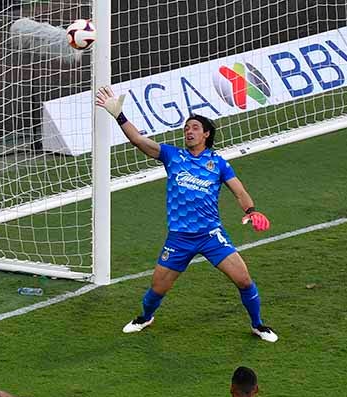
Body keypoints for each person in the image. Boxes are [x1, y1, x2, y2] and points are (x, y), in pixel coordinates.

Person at [95, 86, 278, 343]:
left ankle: (258, 325)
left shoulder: (218, 163)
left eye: (194, 127)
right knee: (157, 288)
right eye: (186, 128)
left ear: (206, 134)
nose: (188, 131)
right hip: (180, 238)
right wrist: (119, 115)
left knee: (244, 280)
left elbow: (239, 191)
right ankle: (146, 317)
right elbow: (139, 141)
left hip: (211, 235)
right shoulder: (173, 156)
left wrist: (251, 210)